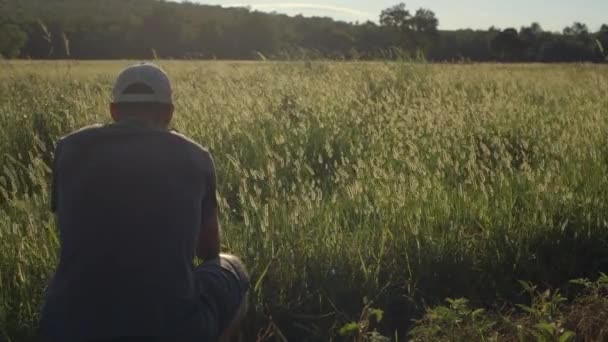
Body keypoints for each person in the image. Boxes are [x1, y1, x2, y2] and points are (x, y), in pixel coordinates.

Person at [40, 62, 249, 342]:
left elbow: (71, 232)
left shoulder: (70, 148)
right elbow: (209, 250)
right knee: (233, 269)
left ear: (113, 110)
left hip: (65, 328)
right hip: (167, 328)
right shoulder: (195, 156)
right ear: (169, 112)